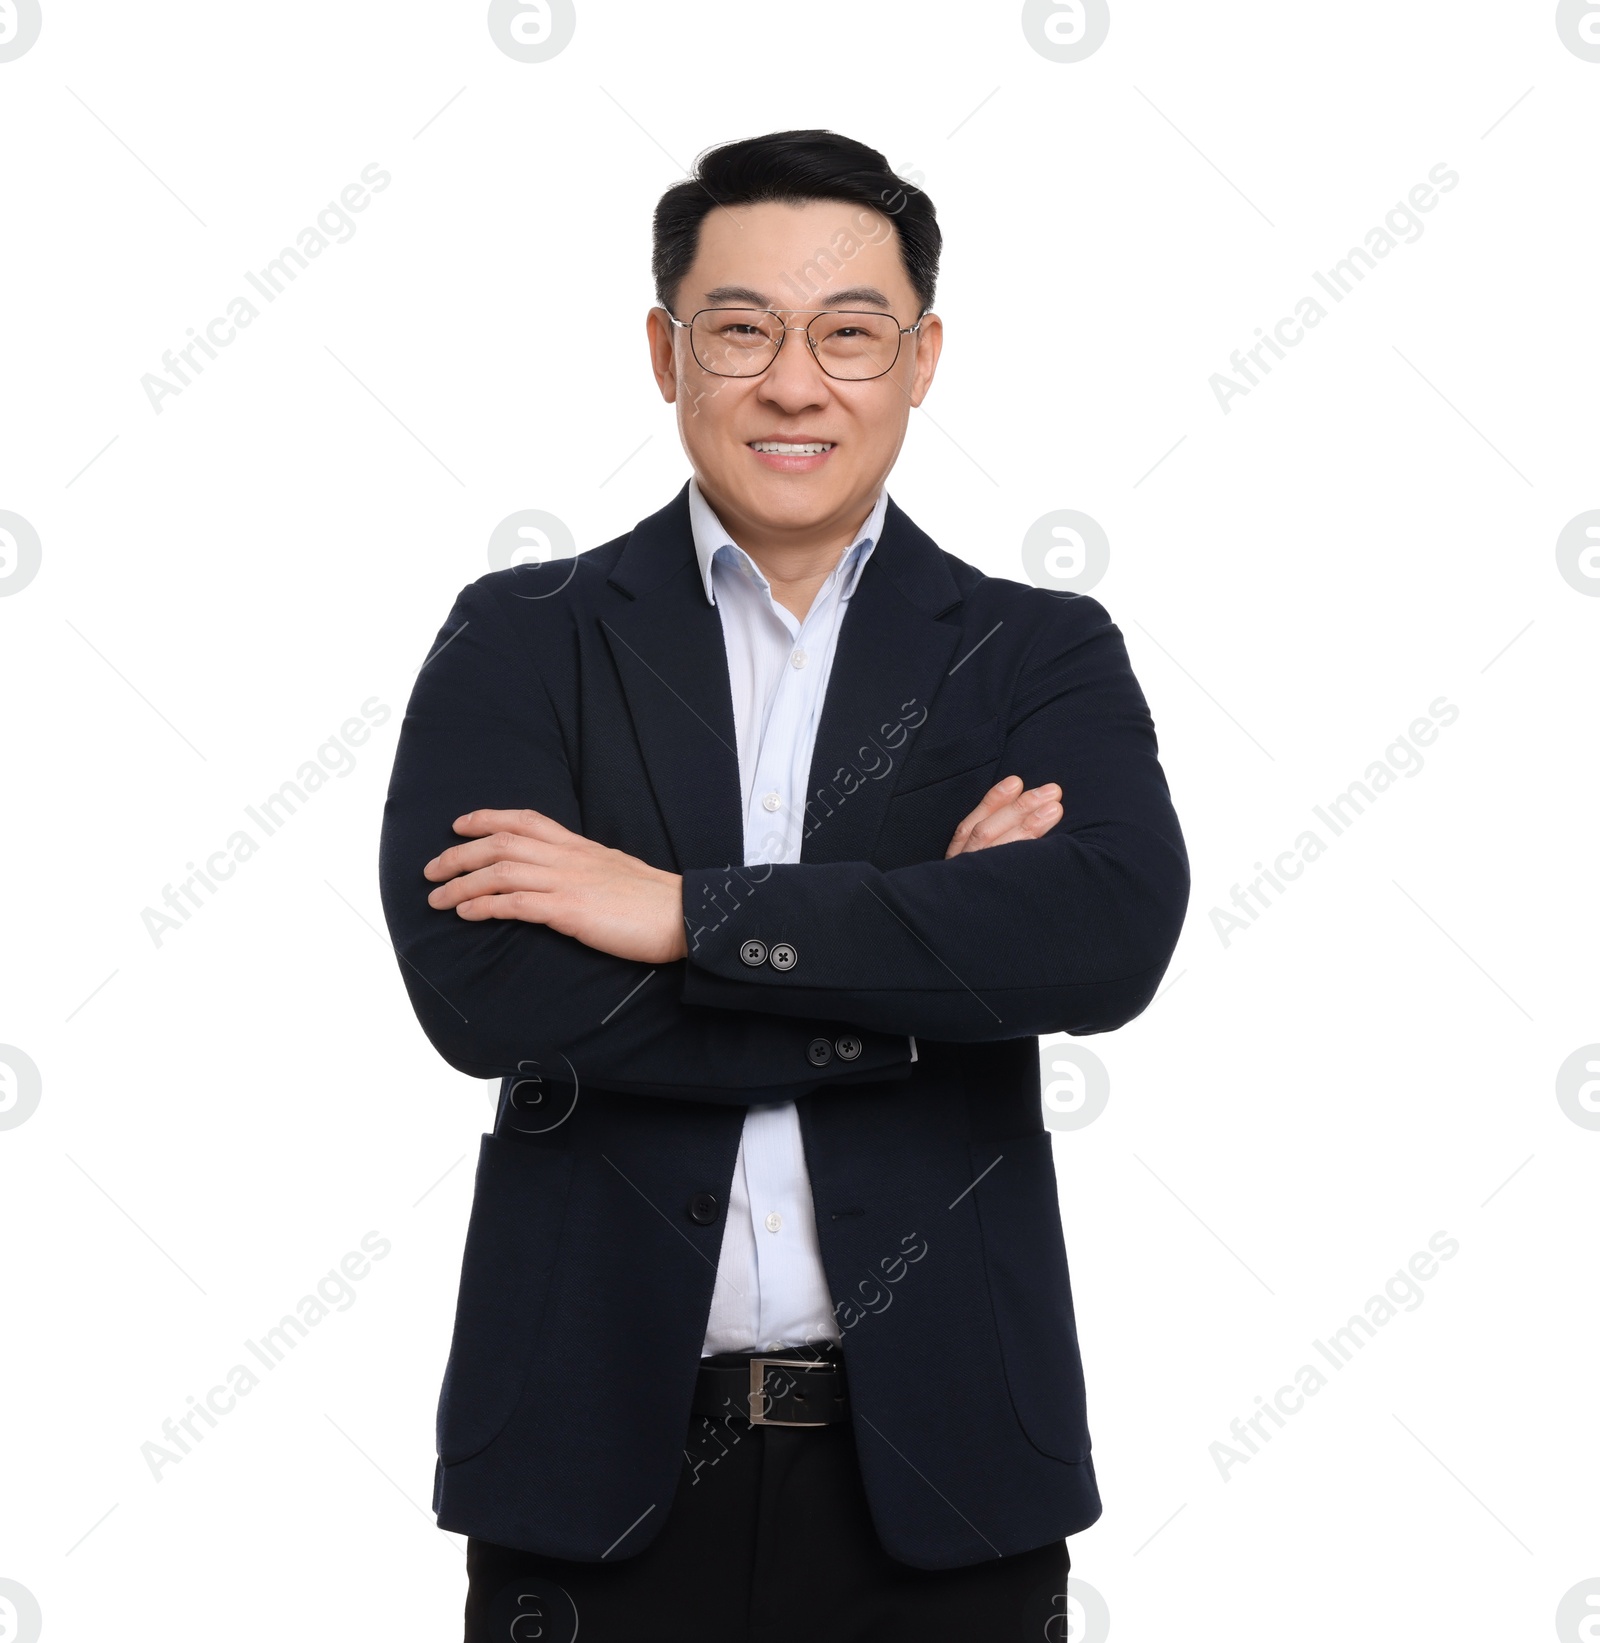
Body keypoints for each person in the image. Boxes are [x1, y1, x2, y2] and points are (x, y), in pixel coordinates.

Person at [378, 128, 1189, 1643]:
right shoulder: (522, 638)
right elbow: (485, 991)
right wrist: (924, 967)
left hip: (945, 1475)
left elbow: (1107, 940)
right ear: (665, 351)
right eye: (741, 329)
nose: (795, 383)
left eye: (850, 333)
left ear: (922, 355)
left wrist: (682, 912)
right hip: (585, 1460)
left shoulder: (1033, 652)